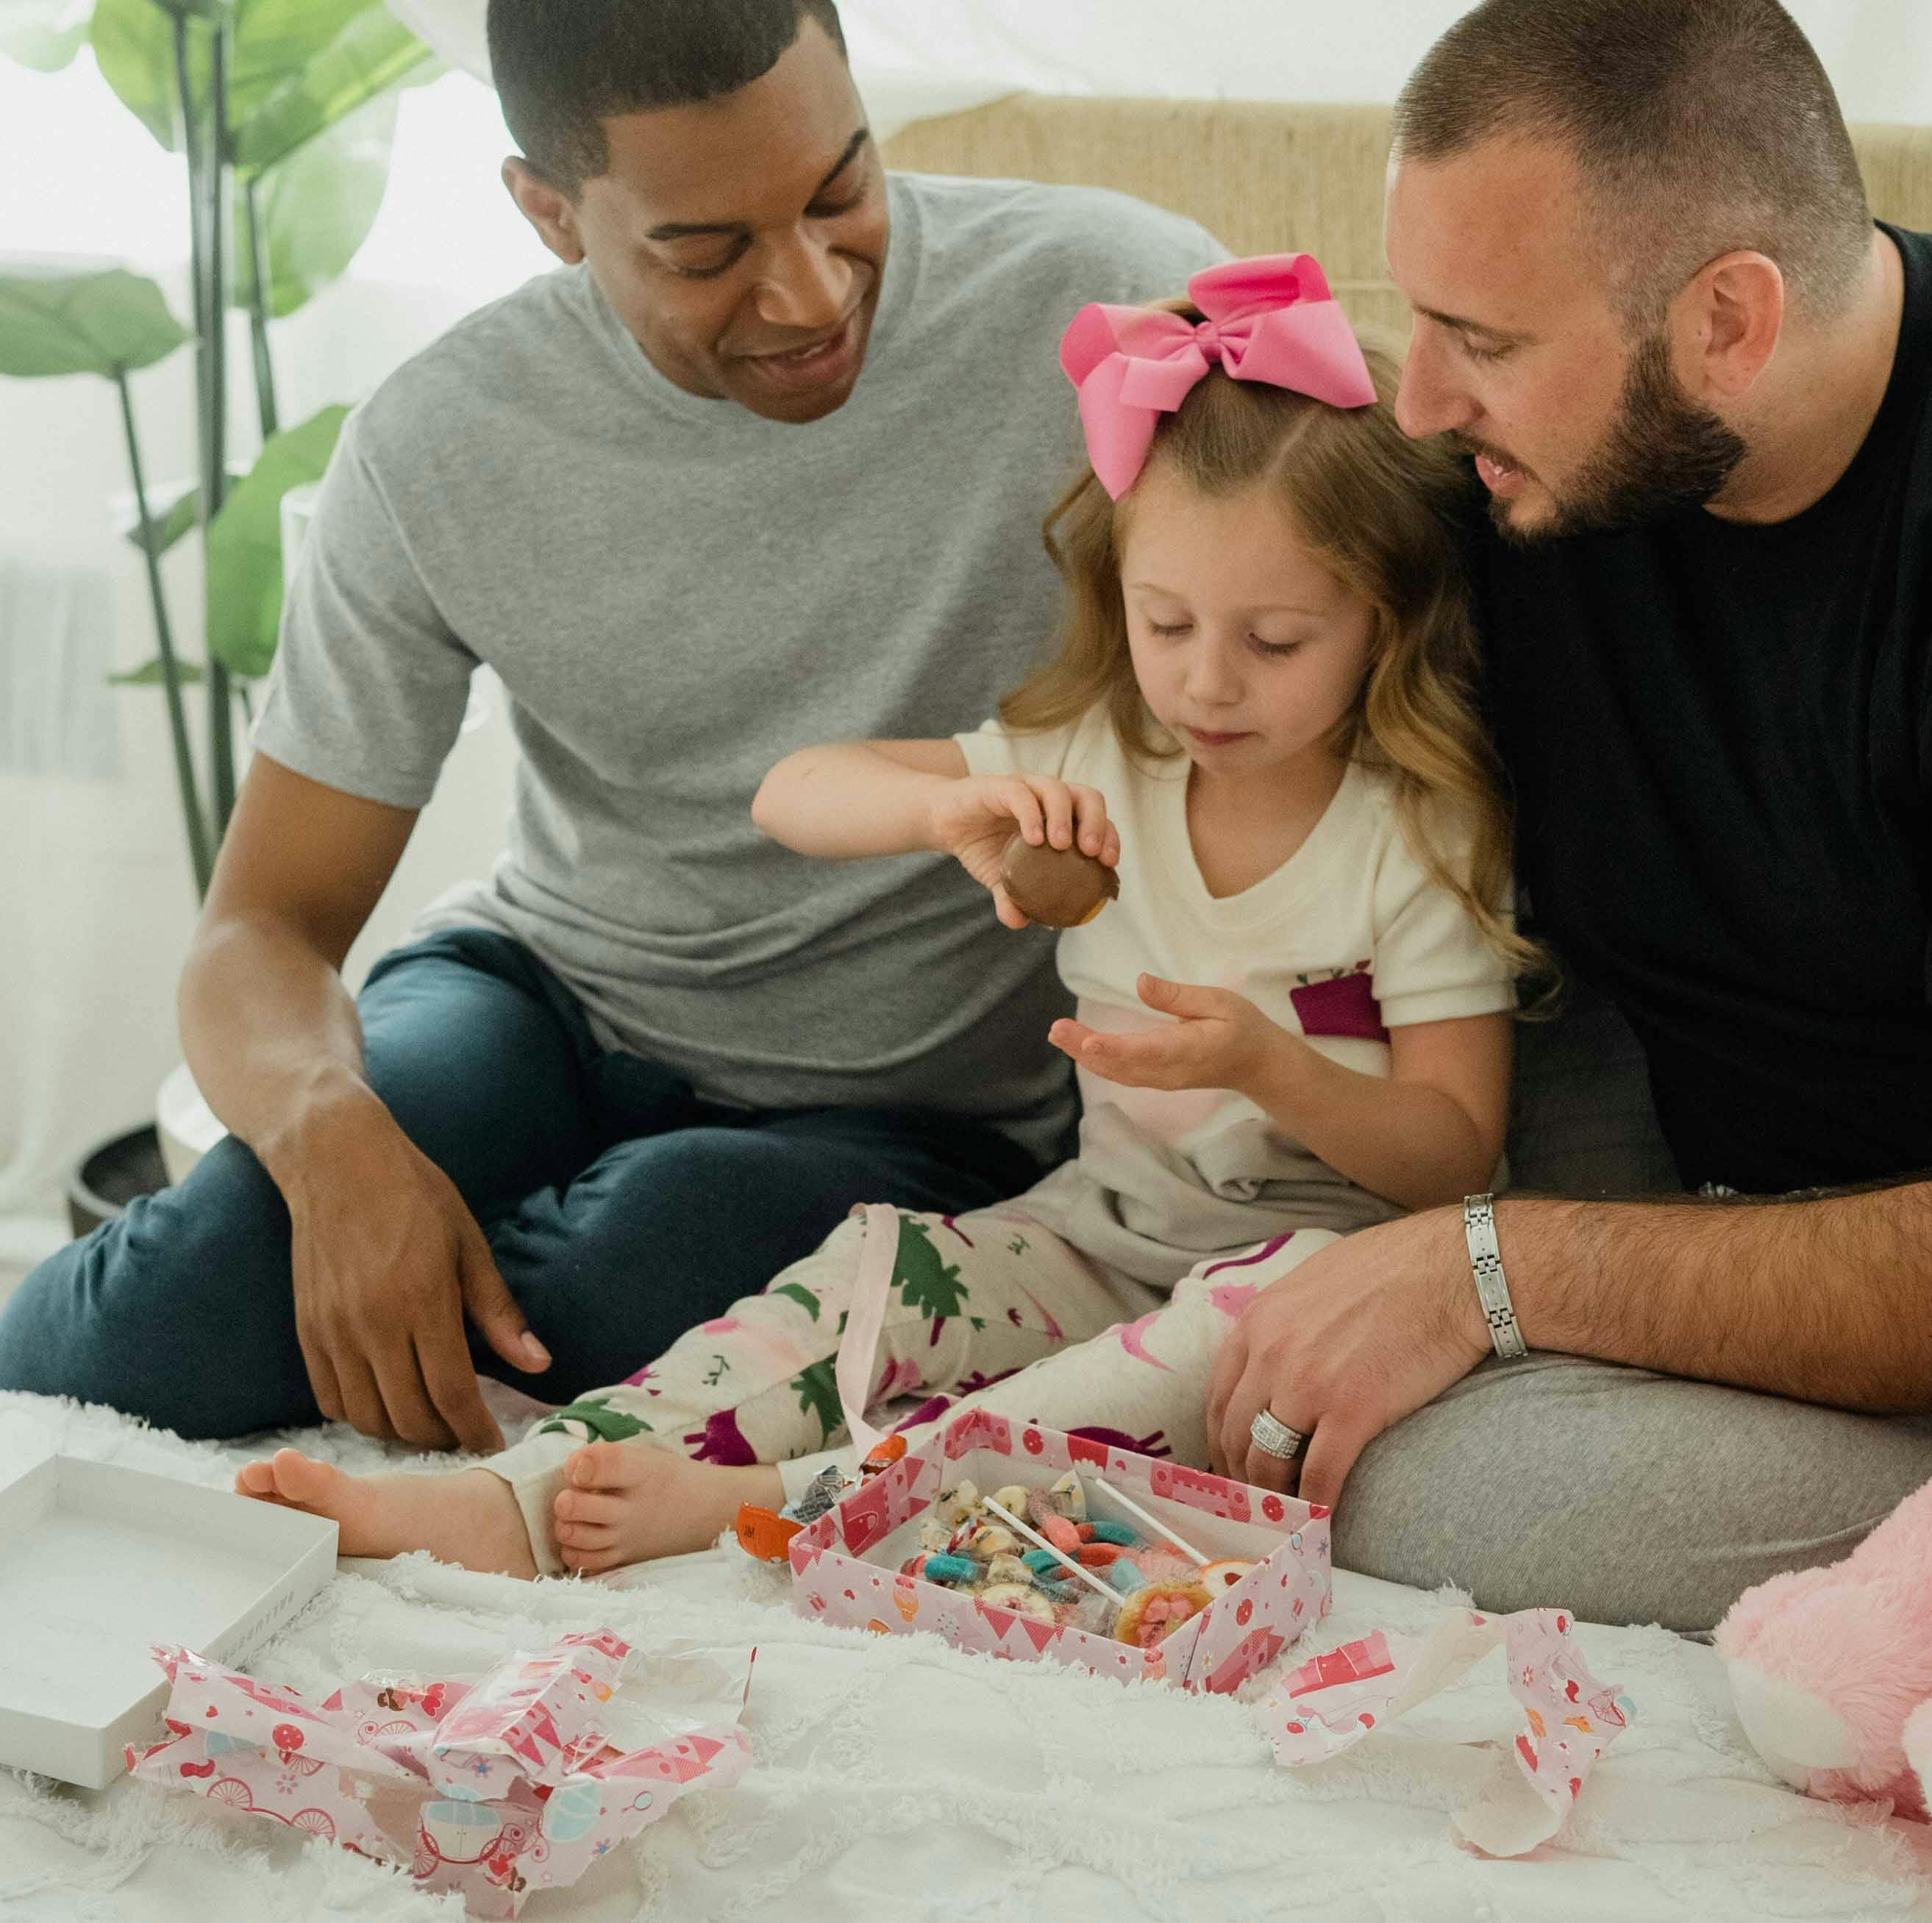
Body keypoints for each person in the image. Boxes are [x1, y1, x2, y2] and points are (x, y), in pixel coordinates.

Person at [0, 0, 1210, 1453]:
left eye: (843, 189)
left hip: (922, 1103)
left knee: (634, 1263)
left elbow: (1353, 637)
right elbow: (264, 923)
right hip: (546, 997)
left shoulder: (1113, 307)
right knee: (187, 1298)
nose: (812, 289)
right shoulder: (440, 442)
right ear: (549, 212)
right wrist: (326, 1137)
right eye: (707, 250)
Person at [231, 252, 1525, 1573]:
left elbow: (1455, 1157)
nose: (1206, 682)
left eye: (1276, 642)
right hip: (1092, 1237)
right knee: (875, 1271)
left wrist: (1263, 1066)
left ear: (1383, 622)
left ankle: (789, 1505)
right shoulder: (1101, 759)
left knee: (1128, 1379)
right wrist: (939, 814)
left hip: (1308, 1287)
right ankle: (526, 1495)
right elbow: (794, 791)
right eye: (1166, 621)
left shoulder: (1416, 836)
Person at [1202, 0, 1932, 1630]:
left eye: (1481, 337)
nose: (1421, 395)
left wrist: (1500, 1273)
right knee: (1279, 1361)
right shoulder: (1518, 469)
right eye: (1411, 318)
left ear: (1729, 317)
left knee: (1413, 1480)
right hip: (1668, 1146)